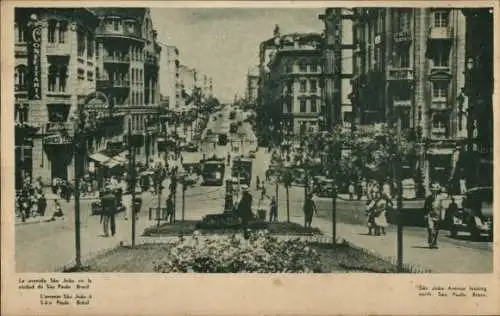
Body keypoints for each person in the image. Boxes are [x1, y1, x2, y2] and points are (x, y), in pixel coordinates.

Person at [423, 183, 443, 249]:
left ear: (437, 191)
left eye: (435, 190)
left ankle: (435, 243)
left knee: (436, 231)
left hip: (437, 215)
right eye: (433, 190)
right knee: (430, 229)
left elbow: (442, 207)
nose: (434, 192)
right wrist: (425, 214)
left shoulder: (440, 198)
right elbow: (425, 207)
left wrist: (442, 216)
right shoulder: (428, 198)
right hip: (430, 215)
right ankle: (431, 242)